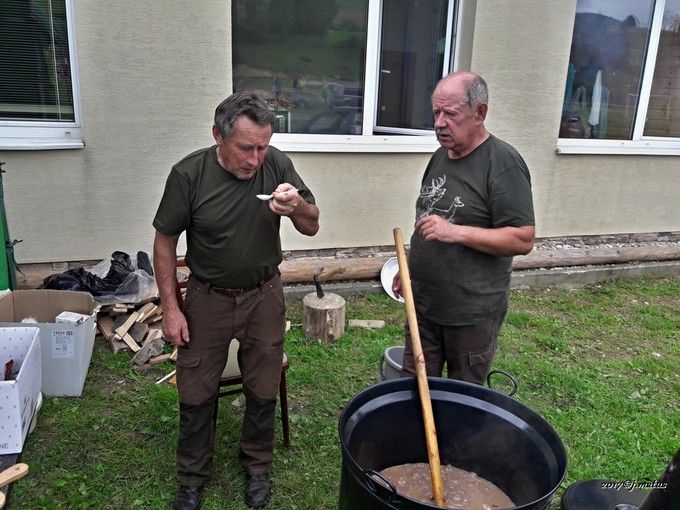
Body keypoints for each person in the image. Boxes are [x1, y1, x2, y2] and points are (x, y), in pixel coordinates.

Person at [152, 91, 319, 510]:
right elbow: (164, 240)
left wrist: (296, 205)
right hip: (208, 296)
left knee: (263, 386)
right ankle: (192, 478)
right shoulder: (189, 174)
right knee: (195, 389)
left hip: (264, 294)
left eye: (263, 146)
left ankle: (257, 467)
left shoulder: (276, 163)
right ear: (218, 136)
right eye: (246, 147)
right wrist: (171, 307)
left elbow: (312, 225)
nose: (256, 158)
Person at [392, 71, 535, 385]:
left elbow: (523, 238)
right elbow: (428, 219)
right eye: (436, 113)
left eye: (451, 114)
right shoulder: (440, 157)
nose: (440, 122)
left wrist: (456, 232)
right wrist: (410, 268)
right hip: (425, 306)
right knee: (413, 390)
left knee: (462, 402)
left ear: (480, 113)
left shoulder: (503, 164)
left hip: (470, 316)